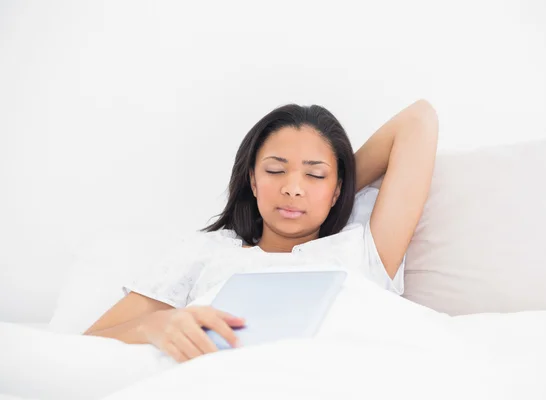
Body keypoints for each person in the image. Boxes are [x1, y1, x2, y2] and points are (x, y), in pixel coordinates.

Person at [83, 99, 439, 363]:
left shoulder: (364, 249)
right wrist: (155, 326)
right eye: (274, 171)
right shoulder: (205, 252)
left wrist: (337, 196)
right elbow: (88, 342)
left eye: (314, 175)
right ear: (252, 180)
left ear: (337, 188)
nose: (293, 188)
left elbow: (418, 119)